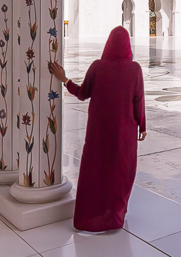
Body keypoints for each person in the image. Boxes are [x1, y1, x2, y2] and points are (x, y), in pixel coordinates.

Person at [49, 26, 146, 232]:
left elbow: (83, 93)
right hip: (124, 132)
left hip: (98, 132)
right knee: (121, 171)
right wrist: (143, 126)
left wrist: (65, 80)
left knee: (96, 171)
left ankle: (87, 218)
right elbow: (138, 101)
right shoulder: (135, 69)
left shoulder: (97, 66)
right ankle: (115, 217)